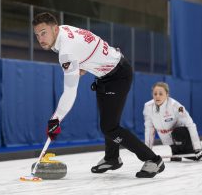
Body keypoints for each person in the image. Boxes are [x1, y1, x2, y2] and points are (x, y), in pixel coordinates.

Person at [32, 12, 165, 178]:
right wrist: (85, 65)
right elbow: (90, 43)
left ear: (55, 29)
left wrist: (56, 118)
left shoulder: (66, 51)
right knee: (108, 122)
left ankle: (153, 159)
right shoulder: (64, 32)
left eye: (43, 32)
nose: (40, 38)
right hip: (105, 75)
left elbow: (70, 91)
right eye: (37, 35)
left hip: (118, 76)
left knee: (109, 127)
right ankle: (112, 158)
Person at [143, 82, 202, 161]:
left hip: (182, 135)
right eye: (155, 94)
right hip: (169, 139)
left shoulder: (176, 106)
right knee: (182, 154)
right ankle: (176, 152)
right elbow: (149, 130)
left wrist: (198, 148)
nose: (157, 96)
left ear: (167, 94)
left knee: (193, 154)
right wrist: (147, 151)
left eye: (161, 94)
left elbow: (191, 125)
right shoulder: (148, 107)